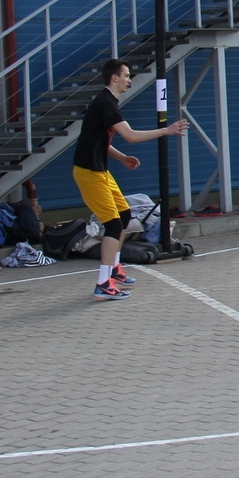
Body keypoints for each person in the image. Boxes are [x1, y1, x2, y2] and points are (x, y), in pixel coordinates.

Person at [73, 59, 189, 300]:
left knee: (125, 214)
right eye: (126, 75)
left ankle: (114, 268)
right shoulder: (106, 104)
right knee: (113, 223)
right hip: (88, 173)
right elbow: (131, 136)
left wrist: (123, 158)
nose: (129, 79)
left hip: (100, 171)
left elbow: (98, 142)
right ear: (114, 78)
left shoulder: (107, 103)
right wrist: (166, 130)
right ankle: (103, 284)